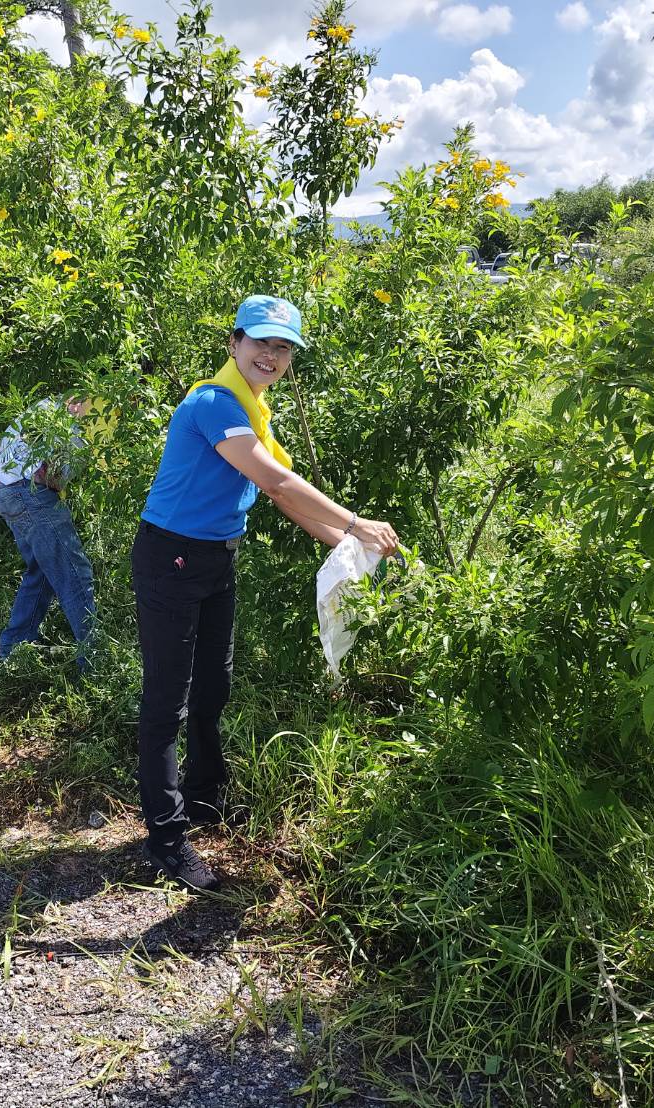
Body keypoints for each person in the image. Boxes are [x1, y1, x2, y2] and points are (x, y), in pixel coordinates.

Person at [131, 295, 399, 892]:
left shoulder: (254, 409)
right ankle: (166, 840)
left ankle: (203, 798)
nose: (271, 355)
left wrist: (355, 547)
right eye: (260, 342)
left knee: (214, 685)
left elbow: (283, 498)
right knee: (168, 700)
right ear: (234, 343)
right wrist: (358, 523)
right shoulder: (213, 404)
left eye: (283, 347)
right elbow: (276, 480)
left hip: (215, 558)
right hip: (170, 558)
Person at [0, 395, 97, 668]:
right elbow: (51, 478)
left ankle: (13, 653)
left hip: (0, 487)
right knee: (74, 573)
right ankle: (96, 663)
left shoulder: (50, 404)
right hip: (26, 492)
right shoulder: (80, 422)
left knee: (43, 571)